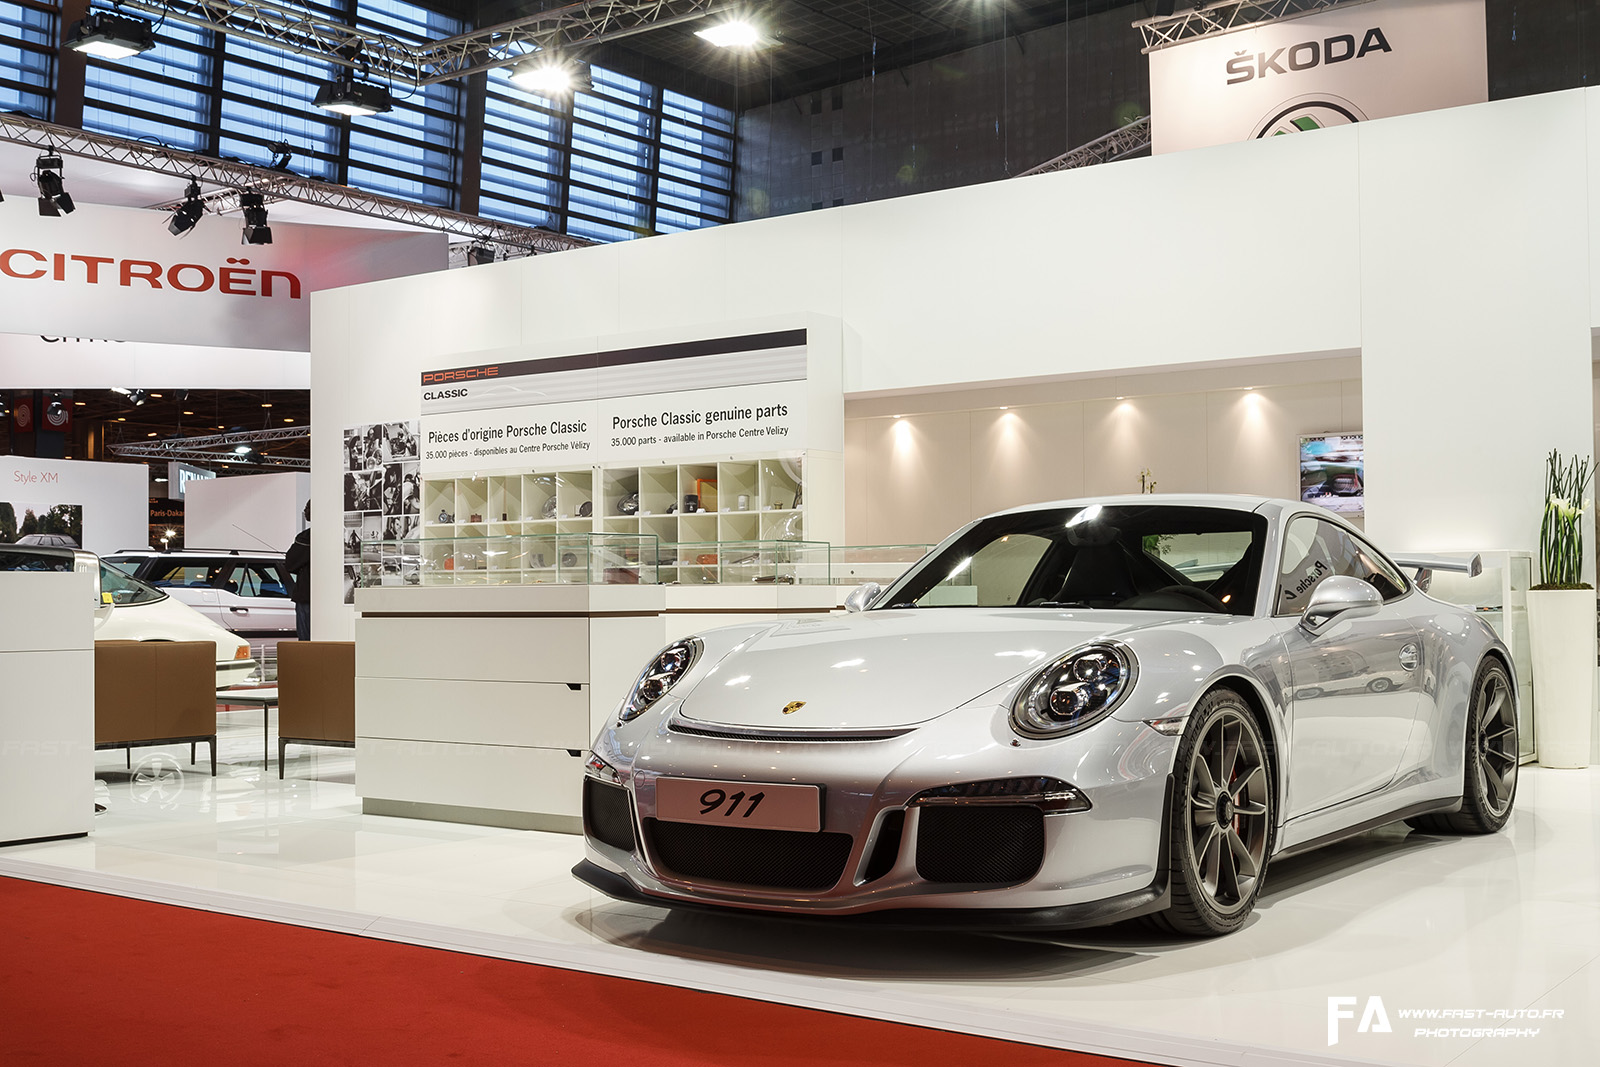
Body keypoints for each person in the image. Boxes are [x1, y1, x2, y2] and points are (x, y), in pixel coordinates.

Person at [285, 501, 312, 640]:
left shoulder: (305, 538)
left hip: (306, 595)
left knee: (306, 642)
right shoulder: (338, 535)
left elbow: (290, 564)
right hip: (331, 597)